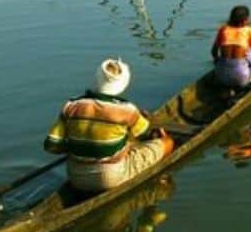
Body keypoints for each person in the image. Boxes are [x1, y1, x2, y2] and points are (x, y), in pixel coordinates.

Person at [44, 58, 174, 193]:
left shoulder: (71, 106)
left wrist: (78, 148)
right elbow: (145, 132)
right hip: (110, 178)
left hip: (76, 178)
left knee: (123, 141)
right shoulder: (127, 109)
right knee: (168, 142)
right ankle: (157, 184)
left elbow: (51, 145)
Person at [211, 5, 251, 89]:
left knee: (227, 60)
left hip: (222, 78)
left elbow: (214, 52)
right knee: (250, 51)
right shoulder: (249, 30)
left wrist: (219, 63)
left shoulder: (223, 29)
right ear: (244, 20)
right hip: (241, 79)